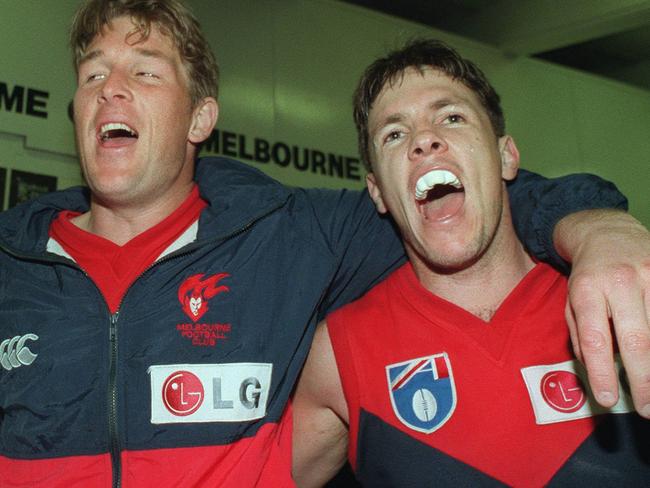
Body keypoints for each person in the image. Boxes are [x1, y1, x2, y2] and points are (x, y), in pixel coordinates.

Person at [0, 0, 647, 486]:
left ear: (202, 117)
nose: (110, 88)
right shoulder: (9, 263)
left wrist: (598, 227)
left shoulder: (291, 234)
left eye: (143, 71)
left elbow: (489, 197)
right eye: (92, 75)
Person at [292, 39, 650, 487]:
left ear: (506, 156)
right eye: (395, 134)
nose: (424, 139)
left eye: (452, 117)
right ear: (378, 192)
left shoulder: (622, 292)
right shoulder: (337, 354)